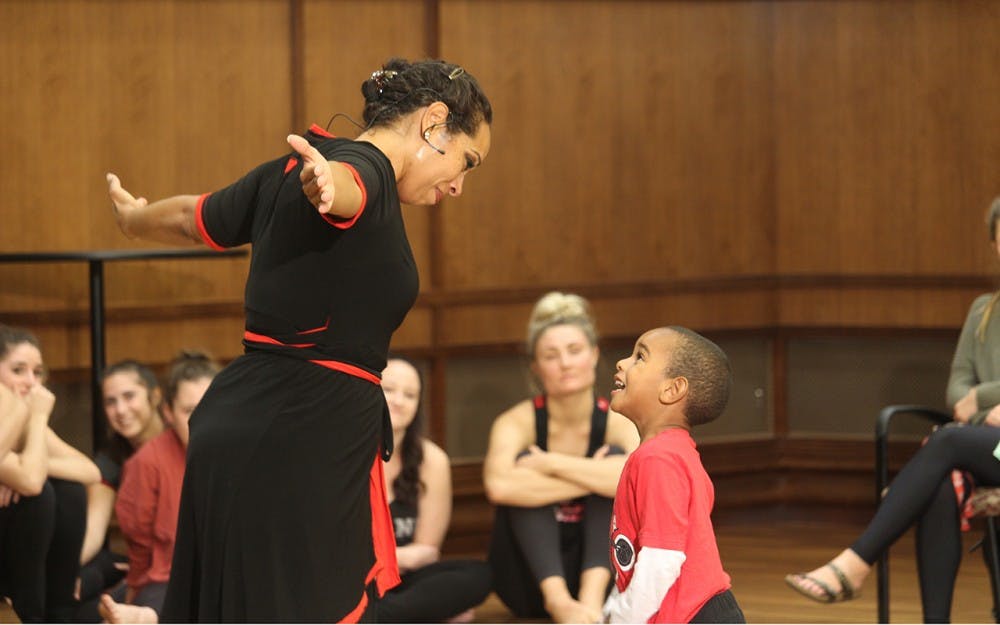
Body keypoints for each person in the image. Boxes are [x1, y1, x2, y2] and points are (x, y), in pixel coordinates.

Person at [106, 57, 492, 622]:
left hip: (238, 422)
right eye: (467, 161)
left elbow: (196, 218)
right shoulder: (366, 169)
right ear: (434, 122)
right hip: (304, 432)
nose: (458, 184)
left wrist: (133, 222)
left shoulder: (283, 172)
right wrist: (328, 187)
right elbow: (347, 191)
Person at [785, 195, 1000, 623]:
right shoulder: (984, 310)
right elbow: (957, 390)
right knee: (942, 480)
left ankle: (855, 563)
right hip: (991, 448)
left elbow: (971, 397)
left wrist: (984, 397)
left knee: (949, 440)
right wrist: (981, 410)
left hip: (986, 447)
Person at [483, 291, 640, 623]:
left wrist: (550, 465)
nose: (565, 363)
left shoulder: (621, 421)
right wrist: (593, 476)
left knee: (617, 460)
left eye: (574, 351)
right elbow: (499, 486)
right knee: (600, 472)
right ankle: (559, 603)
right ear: (536, 367)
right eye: (551, 355)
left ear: (595, 354)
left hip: (608, 578)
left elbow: (635, 480)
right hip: (527, 580)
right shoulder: (515, 421)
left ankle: (589, 600)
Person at [602, 326, 744, 624]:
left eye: (640, 357)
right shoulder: (675, 453)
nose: (622, 363)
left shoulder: (659, 458)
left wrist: (624, 618)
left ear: (672, 390)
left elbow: (661, 559)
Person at [98, 350, 222, 625]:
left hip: (226, 574)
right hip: (168, 579)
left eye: (211, 406)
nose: (204, 420)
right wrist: (133, 593)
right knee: (167, 595)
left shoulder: (239, 453)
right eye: (190, 411)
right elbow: (139, 542)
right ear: (168, 412)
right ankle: (144, 616)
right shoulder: (147, 462)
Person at [372, 357, 492, 623]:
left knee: (478, 575)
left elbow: (426, 552)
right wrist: (398, 557)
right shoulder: (347, 453)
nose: (399, 401)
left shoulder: (432, 460)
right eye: (389, 390)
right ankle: (421, 614)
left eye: (410, 395)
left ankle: (379, 617)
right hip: (356, 580)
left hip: (404, 581)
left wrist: (383, 557)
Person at [0, 324, 101, 623]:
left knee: (69, 491)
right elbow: (31, 483)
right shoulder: (24, 413)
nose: (32, 383)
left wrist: (25, 461)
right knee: (40, 495)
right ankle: (30, 615)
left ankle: (59, 614)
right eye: (18, 370)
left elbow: (90, 471)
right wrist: (35, 413)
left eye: (38, 372)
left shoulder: (29, 422)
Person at [76, 359, 165, 623]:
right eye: (110, 402)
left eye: (129, 396)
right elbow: (93, 529)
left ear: (155, 396)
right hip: (137, 564)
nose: (120, 410)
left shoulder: (180, 439)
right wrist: (62, 574)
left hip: (173, 564)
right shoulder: (112, 457)